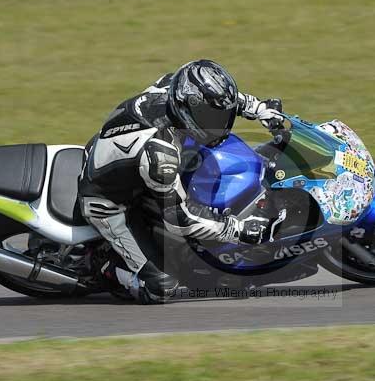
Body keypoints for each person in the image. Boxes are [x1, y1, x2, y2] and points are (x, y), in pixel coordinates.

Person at [78, 59, 285, 304]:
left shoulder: (172, 86)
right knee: (161, 287)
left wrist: (259, 109)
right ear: (186, 110)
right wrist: (238, 230)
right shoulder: (161, 155)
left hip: (122, 161)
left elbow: (221, 100)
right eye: (210, 117)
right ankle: (103, 268)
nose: (219, 124)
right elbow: (180, 220)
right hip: (107, 203)